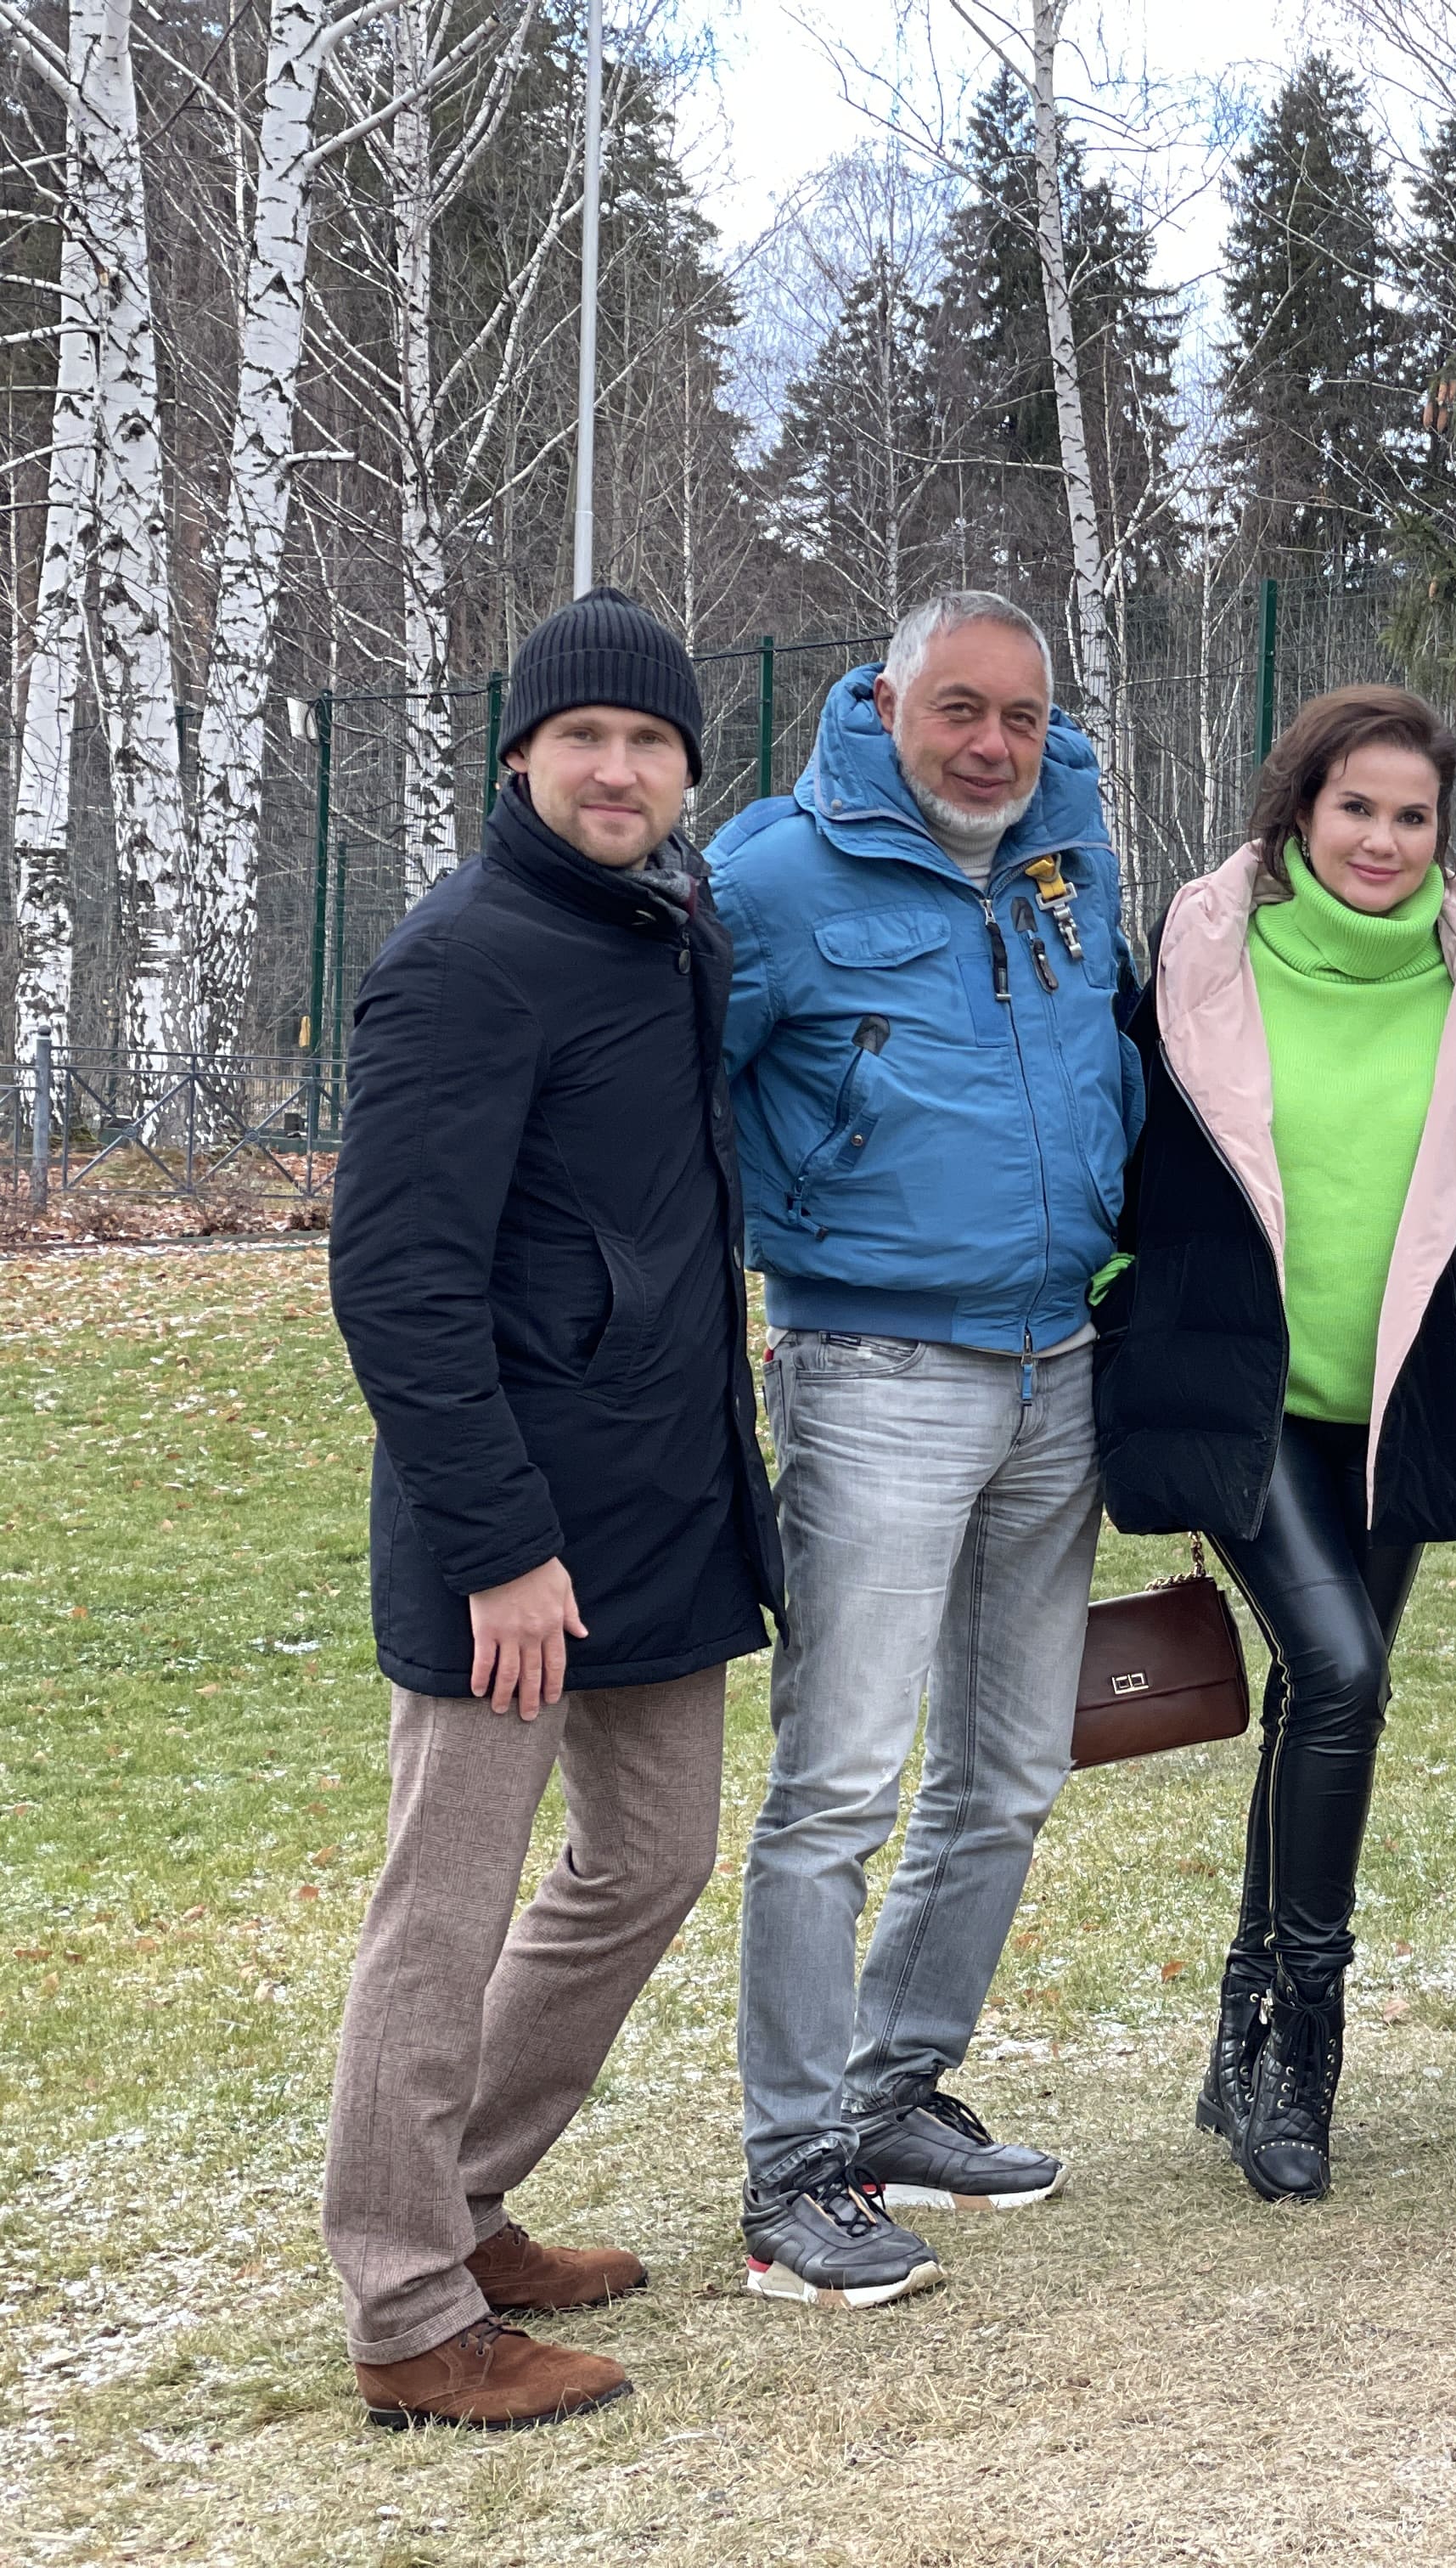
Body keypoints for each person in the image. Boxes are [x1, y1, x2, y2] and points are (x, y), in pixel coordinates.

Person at [1093, 685, 1456, 2202]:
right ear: (1300, 808)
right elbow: (1122, 1155)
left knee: (1314, 1698)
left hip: (1404, 1403)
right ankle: (1303, 2048)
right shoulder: (1201, 953)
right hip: (1244, 1394)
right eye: (1357, 807)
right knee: (1344, 1676)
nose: (1384, 840)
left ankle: (1239, 2032)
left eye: (1413, 816)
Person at [322, 588, 780, 2429]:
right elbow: (397, 1284)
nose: (617, 768)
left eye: (650, 740)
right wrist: (501, 1547)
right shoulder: (463, 958)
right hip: (507, 1541)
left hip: (659, 1505)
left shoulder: (670, 928)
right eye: (582, 736)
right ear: (520, 756)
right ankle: (406, 2309)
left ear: (686, 770)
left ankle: (467, 2203)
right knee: (441, 1917)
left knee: (651, 1859)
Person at [709, 591, 1146, 2306]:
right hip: (875, 1369)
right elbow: (676, 1112)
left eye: (1020, 717)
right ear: (887, 701)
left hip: (1058, 1361)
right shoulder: (771, 881)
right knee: (838, 1785)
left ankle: (889, 2093)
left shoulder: (1070, 861)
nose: (990, 746)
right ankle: (792, 2175)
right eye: (958, 708)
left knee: (1010, 1770)